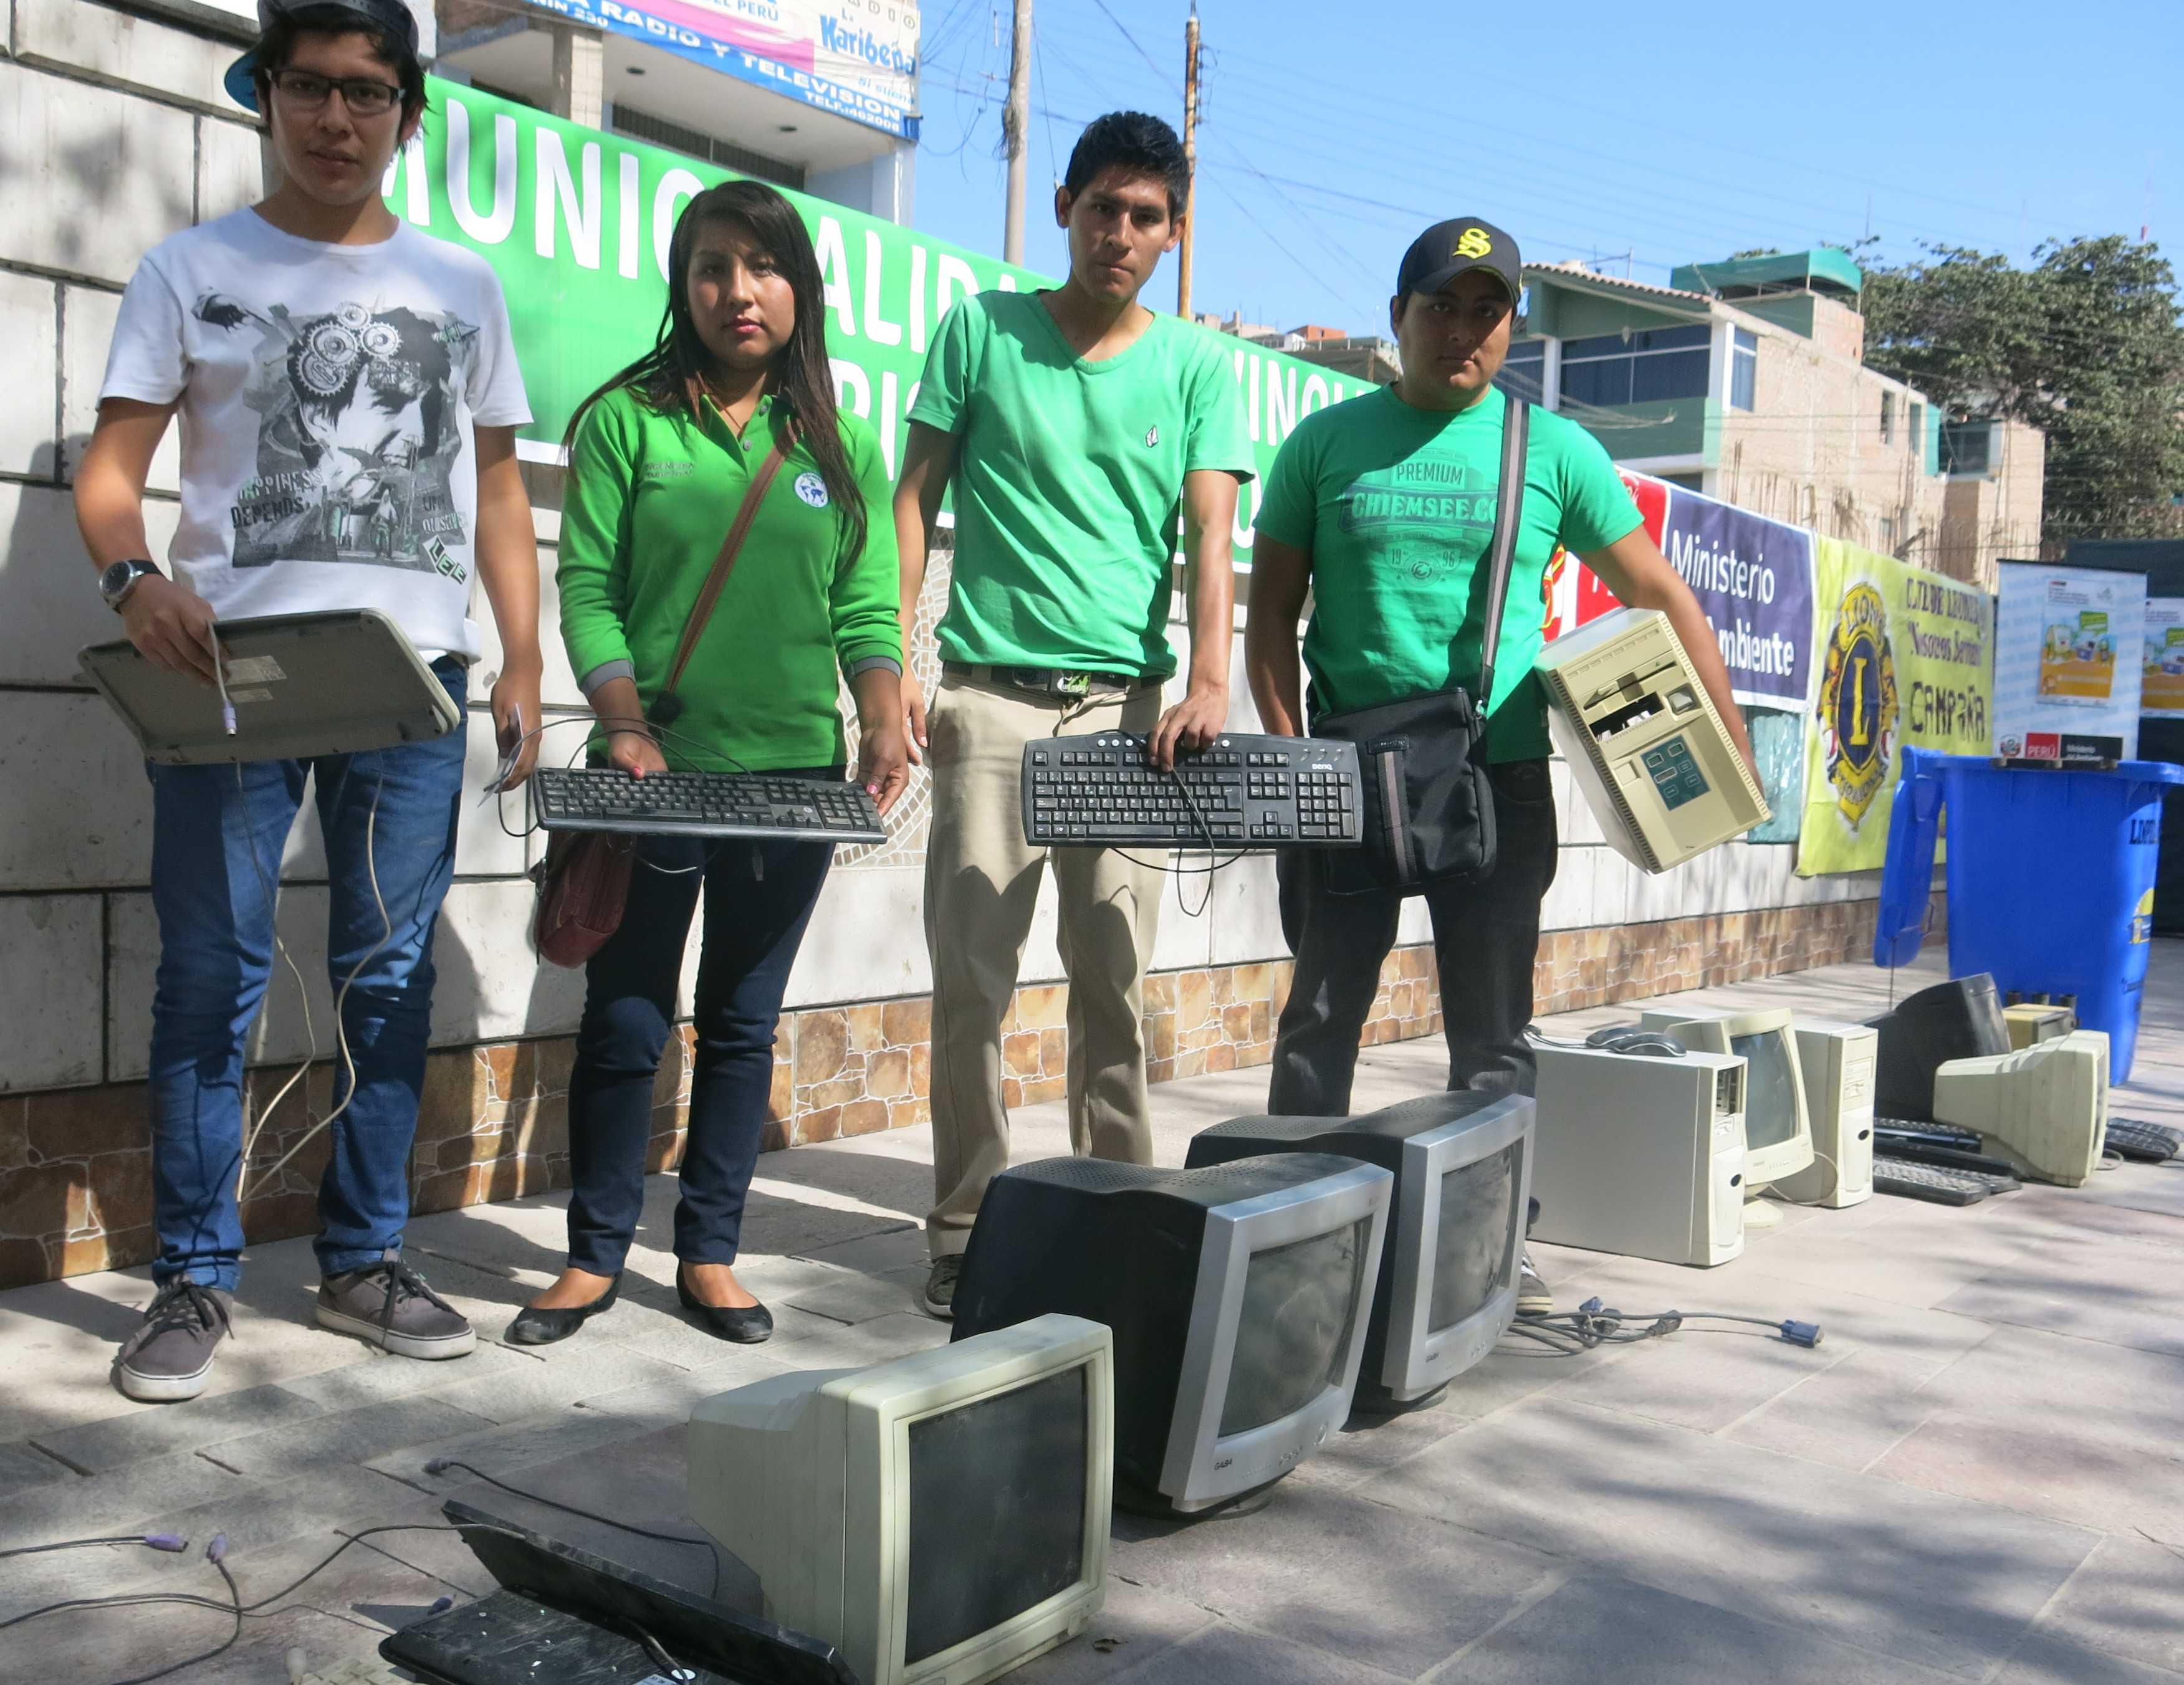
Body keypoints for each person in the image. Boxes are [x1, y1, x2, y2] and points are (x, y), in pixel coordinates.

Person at [76, 0, 544, 1402]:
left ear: (407, 113)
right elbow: (109, 478)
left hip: (412, 687)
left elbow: (498, 491)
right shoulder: (191, 271)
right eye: (308, 87)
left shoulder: (461, 285)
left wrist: (526, 652)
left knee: (383, 976)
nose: (334, 116)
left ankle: (363, 1256)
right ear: (264, 94)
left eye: (366, 92)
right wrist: (133, 578)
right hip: (236, 679)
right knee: (208, 979)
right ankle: (194, 1278)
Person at [1244, 217, 1760, 1315]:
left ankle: (1488, 1241)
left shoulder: (1555, 451)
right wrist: (1294, 765)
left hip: (1498, 780)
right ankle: (1281, 1230)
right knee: (1320, 1017)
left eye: (1489, 312)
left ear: (1512, 327)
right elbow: (1271, 619)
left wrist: (1727, 735)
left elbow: (1663, 597)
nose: (1464, 331)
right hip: (1350, 779)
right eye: (1442, 306)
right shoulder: (1324, 445)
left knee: (1492, 1037)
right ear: (1399, 316)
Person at [507, 183, 908, 1349]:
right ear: (683, 290)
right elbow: (588, 588)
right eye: (713, 269)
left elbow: (868, 608)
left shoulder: (841, 443)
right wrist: (622, 722)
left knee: (741, 1020)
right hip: (656, 770)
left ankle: (711, 1253)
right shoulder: (630, 421)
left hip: (793, 782)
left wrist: (883, 714)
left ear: (801, 287)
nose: (740, 291)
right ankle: (591, 1258)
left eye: (764, 267)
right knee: (627, 1019)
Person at [894, 112, 1253, 1319]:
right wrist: (896, 665)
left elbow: (1211, 536)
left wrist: (1212, 679)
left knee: (1116, 983)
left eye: (1146, 215)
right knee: (971, 989)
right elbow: (913, 501)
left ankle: (1117, 1220)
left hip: (1128, 718)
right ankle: (961, 1233)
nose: (1121, 232)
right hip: (989, 700)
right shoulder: (980, 332)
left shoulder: (1199, 366)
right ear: (1066, 208)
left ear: (1175, 232)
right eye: (1103, 207)